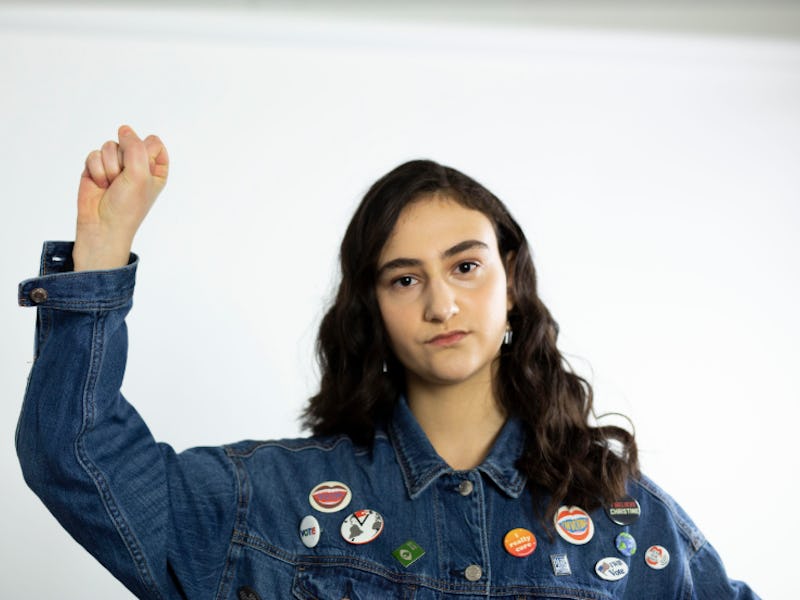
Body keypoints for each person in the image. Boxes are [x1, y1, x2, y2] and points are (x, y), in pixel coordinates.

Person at [16, 126, 758, 599]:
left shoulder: (623, 516)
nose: (441, 304)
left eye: (465, 267)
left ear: (510, 283)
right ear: (371, 308)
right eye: (405, 279)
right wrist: (100, 252)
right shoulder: (273, 503)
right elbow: (75, 458)